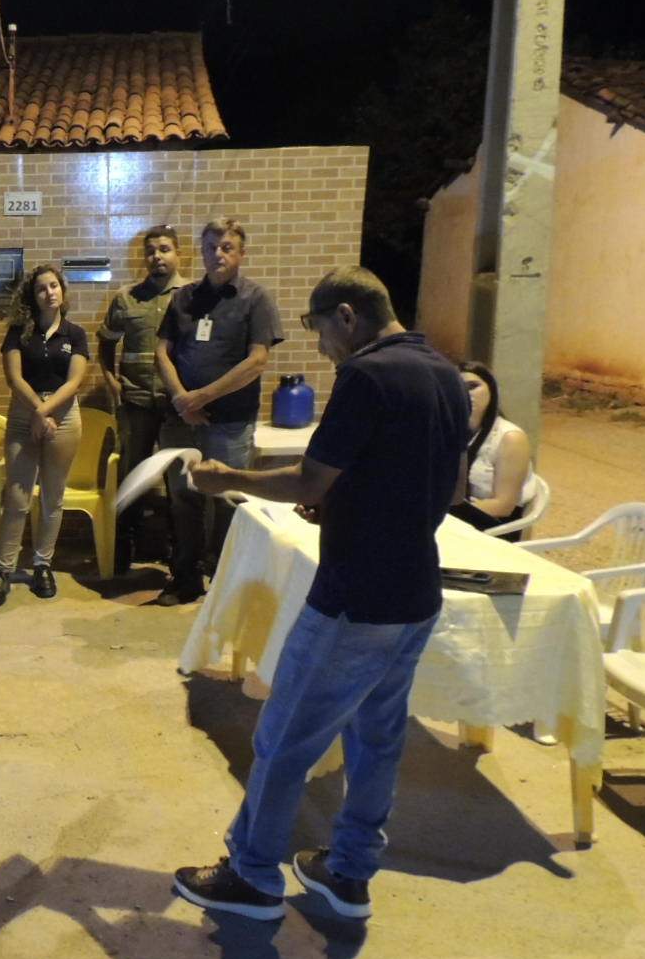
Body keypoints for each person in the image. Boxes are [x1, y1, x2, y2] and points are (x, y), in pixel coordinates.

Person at [170, 267, 469, 922]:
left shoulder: (366, 375)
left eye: (317, 328)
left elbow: (309, 480)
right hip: (415, 595)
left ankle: (252, 877)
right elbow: (452, 490)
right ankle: (349, 873)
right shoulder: (447, 375)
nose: (320, 345)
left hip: (354, 598)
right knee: (376, 741)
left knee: (284, 740)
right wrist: (347, 504)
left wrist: (226, 479)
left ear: (347, 316)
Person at [153, 220, 284, 605]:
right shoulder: (184, 298)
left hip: (230, 423)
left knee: (227, 501)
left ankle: (227, 583)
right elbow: (161, 352)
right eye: (211, 247)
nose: (217, 254)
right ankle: (186, 578)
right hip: (181, 421)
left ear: (241, 253)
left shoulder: (256, 299)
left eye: (226, 247)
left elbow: (257, 360)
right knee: (183, 499)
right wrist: (182, 398)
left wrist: (202, 397)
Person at [0, 265, 90, 606]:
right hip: (23, 415)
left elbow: (74, 382)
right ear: (33, 296)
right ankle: (3, 570)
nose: (49, 292)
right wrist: (37, 411)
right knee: (17, 496)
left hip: (64, 417)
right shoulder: (18, 332)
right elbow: (14, 378)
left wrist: (46, 412)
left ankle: (43, 565)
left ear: (63, 290)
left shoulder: (75, 334)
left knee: (52, 497)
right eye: (42, 288)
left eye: (54, 286)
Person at [98, 224, 183, 570]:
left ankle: (180, 554)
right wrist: (111, 381)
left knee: (179, 481)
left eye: (164, 249)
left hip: (178, 406)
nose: (157, 256)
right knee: (132, 477)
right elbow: (105, 343)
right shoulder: (126, 298)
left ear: (178, 253)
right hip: (136, 403)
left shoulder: (192, 296)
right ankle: (123, 551)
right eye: (150, 251)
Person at [449, 360, 535, 537]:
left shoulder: (510, 438)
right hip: (456, 519)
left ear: (491, 390)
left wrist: (444, 514)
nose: (465, 393)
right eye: (457, 387)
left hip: (495, 527)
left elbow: (503, 506)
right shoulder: (451, 430)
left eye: (473, 386)